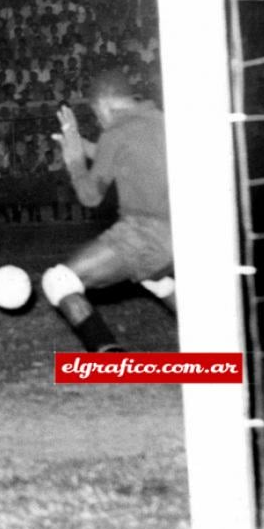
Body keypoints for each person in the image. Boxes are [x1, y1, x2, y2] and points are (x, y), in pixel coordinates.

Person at [42, 71, 175, 352]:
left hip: (144, 233)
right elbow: (122, 152)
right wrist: (79, 140)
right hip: (181, 232)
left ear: (103, 103)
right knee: (156, 280)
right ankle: (216, 343)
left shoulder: (115, 132)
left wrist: (75, 161)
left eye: (95, 114)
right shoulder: (162, 120)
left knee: (59, 280)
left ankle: (110, 358)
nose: (99, 121)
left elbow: (90, 197)